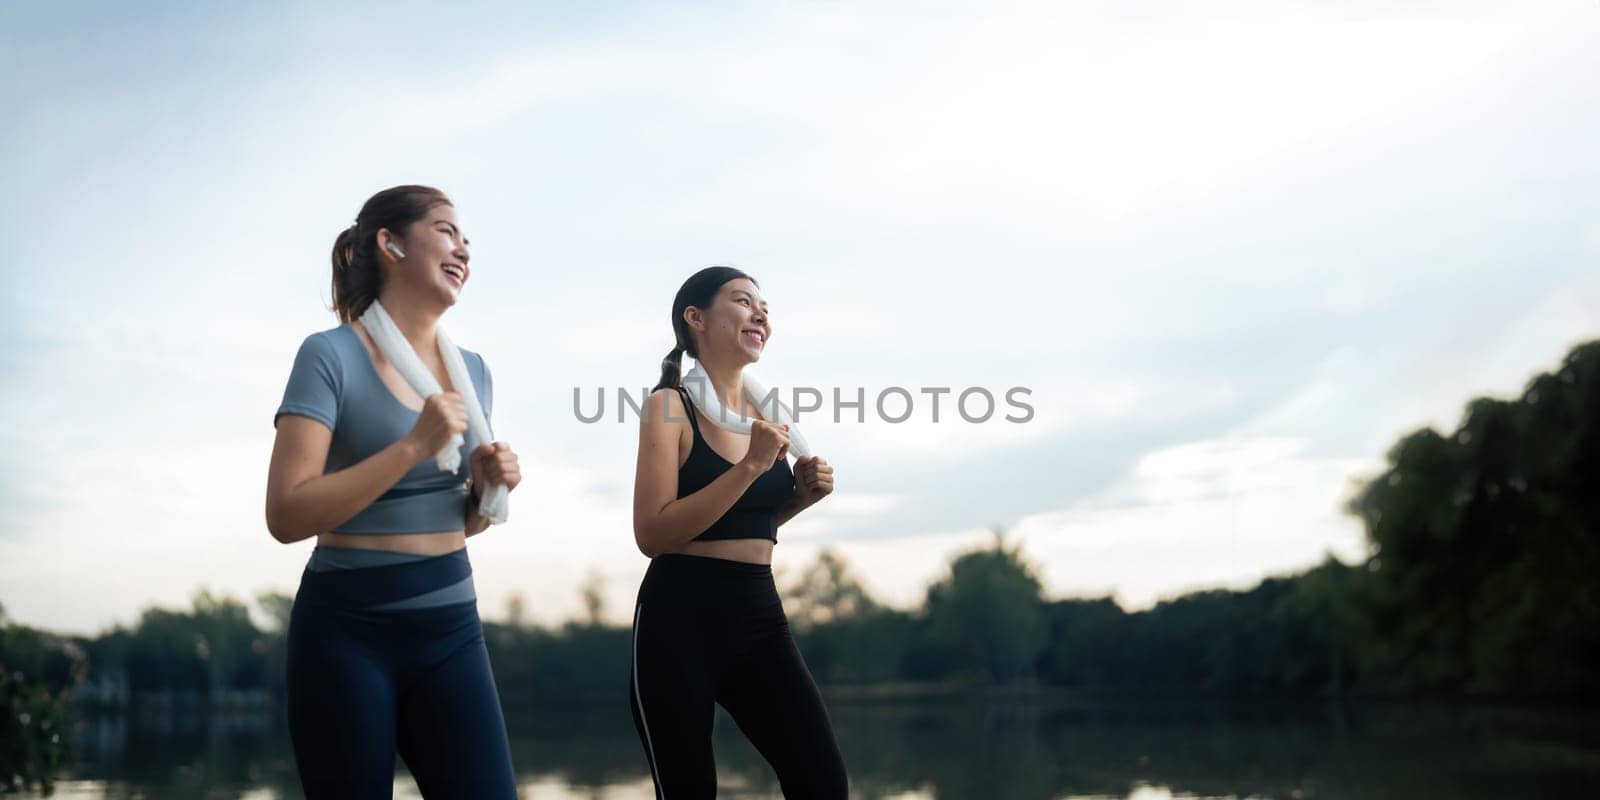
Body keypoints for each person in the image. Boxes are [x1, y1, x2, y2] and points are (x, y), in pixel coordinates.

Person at [265, 185, 521, 798]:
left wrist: (484, 494)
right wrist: (411, 445)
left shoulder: (476, 370)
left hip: (452, 629)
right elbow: (286, 512)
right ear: (389, 244)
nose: (462, 248)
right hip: (346, 635)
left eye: (466, 239)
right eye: (445, 231)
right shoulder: (329, 355)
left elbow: (453, 521)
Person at [628, 266, 847, 798]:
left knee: (822, 783)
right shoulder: (668, 407)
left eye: (764, 306)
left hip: (758, 615)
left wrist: (799, 497)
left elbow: (744, 526)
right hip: (679, 620)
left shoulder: (770, 416)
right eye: (743, 301)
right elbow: (653, 534)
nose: (761, 313)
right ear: (695, 318)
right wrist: (749, 467)